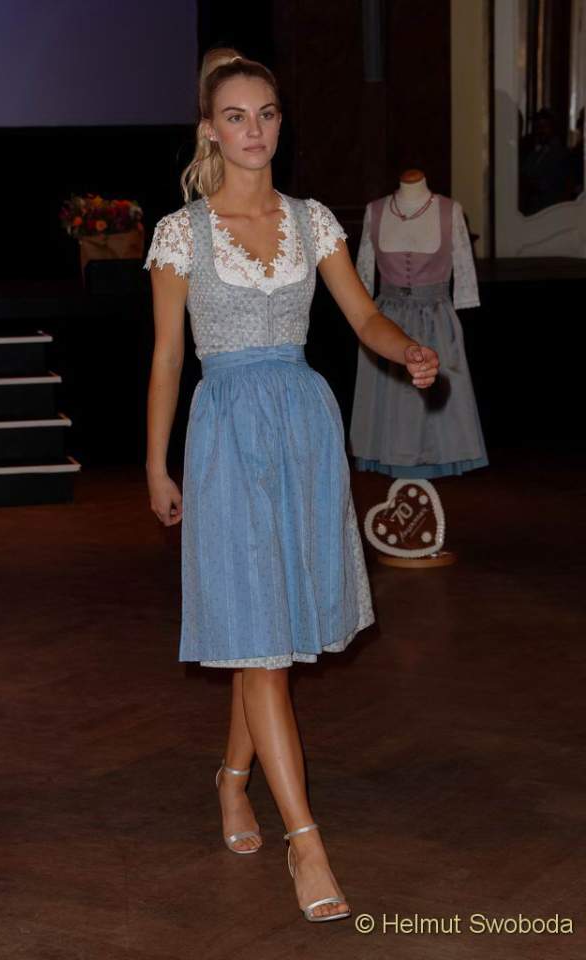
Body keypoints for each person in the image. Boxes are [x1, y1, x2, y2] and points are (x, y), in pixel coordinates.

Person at [143, 46, 439, 924]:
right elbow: (167, 359)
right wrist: (156, 464)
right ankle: (305, 842)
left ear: (280, 123)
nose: (254, 131)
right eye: (236, 117)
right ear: (210, 129)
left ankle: (233, 780)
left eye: (266, 115)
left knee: (265, 631)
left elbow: (364, 316)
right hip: (228, 434)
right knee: (261, 641)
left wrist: (407, 350)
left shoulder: (312, 222)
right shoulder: (181, 233)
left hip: (306, 431)